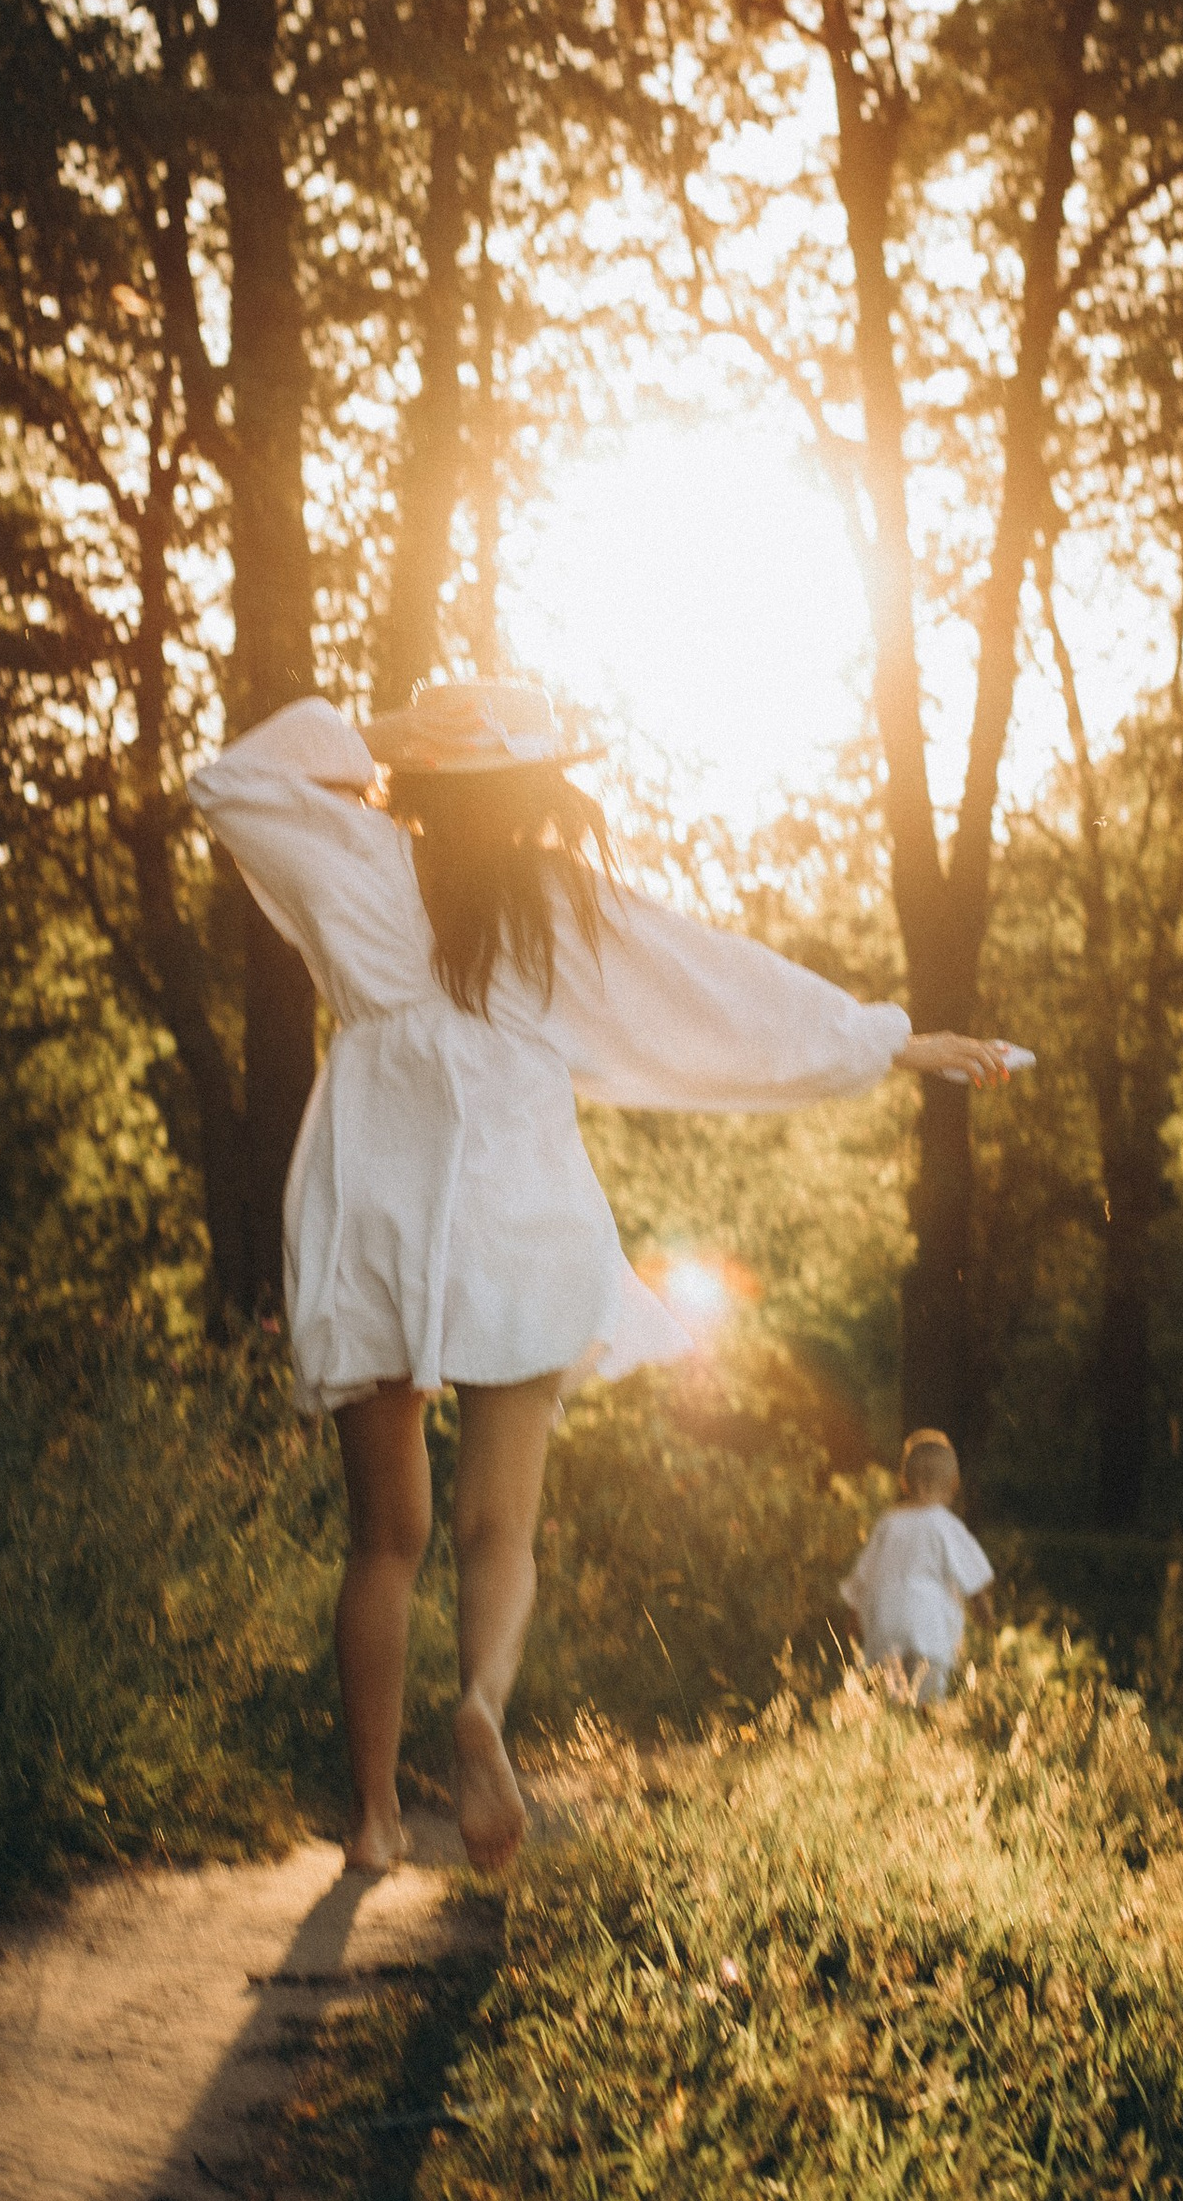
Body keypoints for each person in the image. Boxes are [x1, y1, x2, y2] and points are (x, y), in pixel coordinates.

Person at [187, 678, 1020, 1879]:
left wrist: (376, 737)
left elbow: (228, 782)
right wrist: (886, 1038)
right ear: (535, 787)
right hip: (516, 1206)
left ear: (421, 778)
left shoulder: (355, 857)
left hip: (377, 1193)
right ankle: (480, 1702)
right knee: (499, 1528)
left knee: (385, 1538)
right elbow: (717, 987)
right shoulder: (553, 904)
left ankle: (372, 1819)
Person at [838, 1431, 994, 1705]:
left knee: (891, 1703)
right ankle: (924, 1722)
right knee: (927, 1704)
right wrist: (986, 1617)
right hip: (929, 1626)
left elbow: (862, 1577)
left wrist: (854, 1620)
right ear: (954, 1484)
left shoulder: (888, 1523)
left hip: (887, 1622)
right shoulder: (947, 1525)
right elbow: (975, 1581)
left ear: (903, 1482)